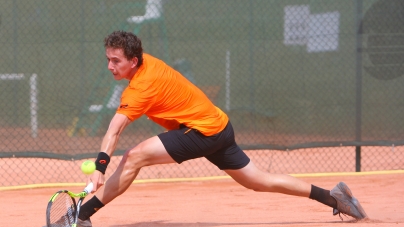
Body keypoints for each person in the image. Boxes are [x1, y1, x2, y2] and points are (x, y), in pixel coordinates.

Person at [76, 30, 368, 226]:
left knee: (134, 157)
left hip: (203, 131)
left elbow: (113, 130)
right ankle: (333, 197)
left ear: (133, 61)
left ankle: (81, 215)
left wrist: (101, 167)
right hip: (219, 124)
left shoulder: (139, 89)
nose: (110, 66)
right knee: (259, 181)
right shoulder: (146, 62)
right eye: (108, 60)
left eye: (116, 61)